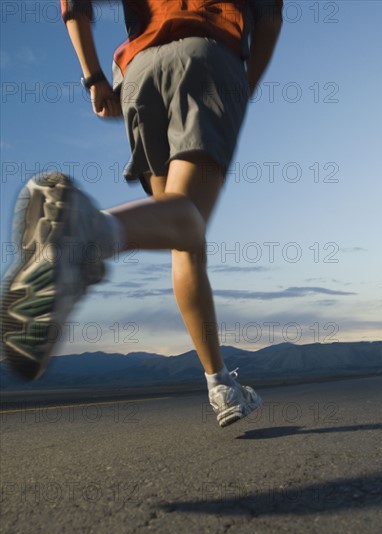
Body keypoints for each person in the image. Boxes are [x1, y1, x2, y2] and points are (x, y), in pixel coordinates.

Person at [1, 0, 283, 427]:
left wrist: (94, 77)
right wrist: (244, 85)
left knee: (181, 234)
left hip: (137, 72)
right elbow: (270, 19)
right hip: (209, 54)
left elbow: (74, 5)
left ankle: (220, 382)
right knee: (188, 220)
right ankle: (89, 234)